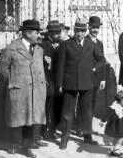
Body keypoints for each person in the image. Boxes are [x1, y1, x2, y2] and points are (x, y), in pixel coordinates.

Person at [0, 19, 48, 158]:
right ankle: (14, 144)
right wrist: (13, 81)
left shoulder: (39, 49)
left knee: (31, 119)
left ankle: (26, 146)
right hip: (19, 90)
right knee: (17, 118)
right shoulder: (12, 49)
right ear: (27, 33)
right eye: (36, 32)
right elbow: (2, 69)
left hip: (36, 90)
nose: (39, 35)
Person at [56, 20, 105, 149]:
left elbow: (101, 59)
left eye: (82, 31)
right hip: (70, 82)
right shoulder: (66, 44)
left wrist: (94, 69)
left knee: (86, 111)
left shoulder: (91, 44)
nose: (80, 34)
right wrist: (60, 83)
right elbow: (60, 65)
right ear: (74, 31)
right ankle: (64, 139)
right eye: (77, 31)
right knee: (67, 112)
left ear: (86, 31)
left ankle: (87, 136)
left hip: (86, 82)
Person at [77, 16, 107, 136]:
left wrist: (103, 78)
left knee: (93, 103)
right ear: (88, 27)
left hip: (97, 78)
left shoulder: (99, 43)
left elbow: (103, 61)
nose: (95, 30)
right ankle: (80, 127)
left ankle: (88, 128)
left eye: (97, 27)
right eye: (93, 27)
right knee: (83, 104)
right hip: (85, 78)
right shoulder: (85, 41)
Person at [40, 20, 64, 142]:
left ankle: (53, 129)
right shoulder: (42, 45)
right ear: (49, 33)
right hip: (47, 79)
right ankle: (46, 131)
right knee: (48, 105)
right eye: (56, 33)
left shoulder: (62, 43)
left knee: (58, 105)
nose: (59, 35)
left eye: (59, 32)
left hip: (59, 80)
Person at [100, 86, 123, 157]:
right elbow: (107, 114)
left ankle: (116, 149)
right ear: (119, 100)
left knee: (121, 138)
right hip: (114, 126)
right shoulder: (114, 107)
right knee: (110, 138)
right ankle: (114, 148)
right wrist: (103, 121)